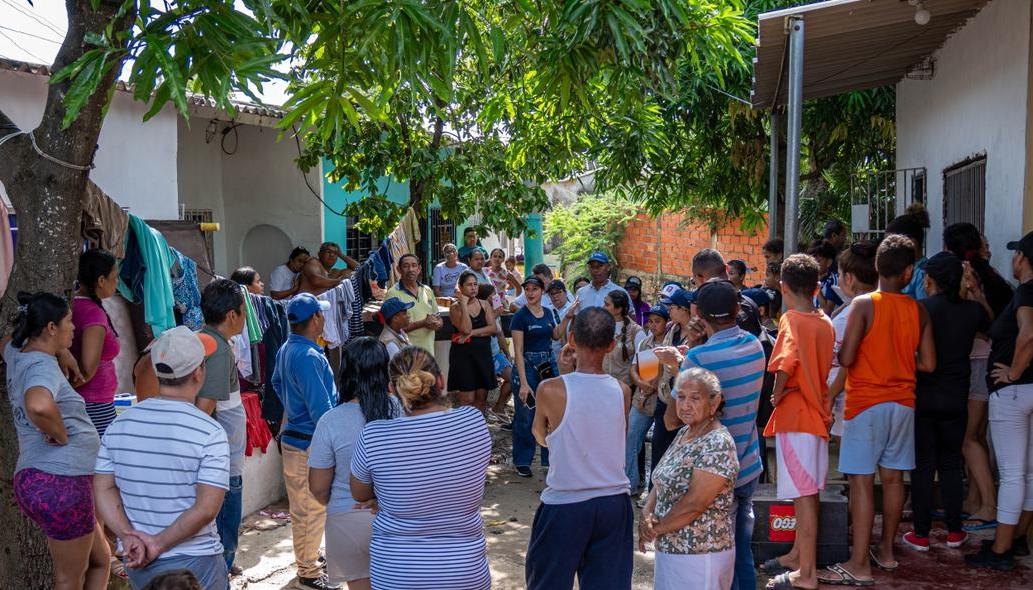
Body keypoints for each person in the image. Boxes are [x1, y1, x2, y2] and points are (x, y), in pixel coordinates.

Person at [819, 234, 935, 586]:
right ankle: (885, 553)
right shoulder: (918, 309)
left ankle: (858, 563)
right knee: (894, 478)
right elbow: (928, 363)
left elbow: (849, 357)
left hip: (865, 403)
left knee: (861, 483)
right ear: (909, 271)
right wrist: (898, 359)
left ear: (876, 267)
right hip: (903, 404)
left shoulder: (864, 305)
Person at [92, 326, 227, 590]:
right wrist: (157, 543)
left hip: (139, 560)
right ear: (199, 372)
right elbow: (206, 508)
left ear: (157, 371)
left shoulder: (120, 424)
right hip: (197, 561)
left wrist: (127, 536)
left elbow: (103, 487)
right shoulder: (209, 431)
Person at [350, 346, 492, 589]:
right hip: (464, 572)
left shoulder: (374, 436)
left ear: (392, 390)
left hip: (396, 573)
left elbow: (360, 494)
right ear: (441, 381)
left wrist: (387, 496)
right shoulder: (473, 422)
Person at [656, 280, 765, 590]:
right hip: (749, 464)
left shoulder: (699, 358)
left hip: (713, 473)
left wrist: (680, 365)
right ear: (736, 310)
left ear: (699, 314)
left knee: (721, 554)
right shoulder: (754, 346)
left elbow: (673, 419)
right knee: (741, 549)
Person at [7, 292, 108, 590]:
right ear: (51, 327)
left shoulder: (18, 353)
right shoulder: (41, 367)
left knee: (101, 559)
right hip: (60, 481)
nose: (74, 328)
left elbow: (5, 342)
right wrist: (60, 432)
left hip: (42, 479)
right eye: (68, 322)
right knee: (69, 579)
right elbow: (38, 404)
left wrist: (60, 351)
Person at [526, 307, 633, 590]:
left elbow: (540, 435)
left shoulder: (550, 389)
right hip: (613, 501)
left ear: (571, 339)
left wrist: (563, 375)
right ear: (611, 345)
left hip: (566, 503)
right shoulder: (623, 391)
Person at [904, 252, 989, 553]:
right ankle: (955, 531)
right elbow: (988, 324)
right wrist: (975, 293)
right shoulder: (971, 312)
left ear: (932, 280)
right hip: (957, 395)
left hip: (924, 394)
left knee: (923, 465)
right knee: (952, 463)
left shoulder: (920, 308)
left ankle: (922, 533)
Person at [760, 254, 836, 590]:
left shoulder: (791, 320)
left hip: (798, 415)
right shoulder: (826, 321)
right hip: (817, 416)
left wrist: (776, 394)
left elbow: (785, 363)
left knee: (803, 499)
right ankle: (799, 559)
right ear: (817, 287)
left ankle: (806, 574)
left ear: (783, 286)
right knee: (810, 495)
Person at [308, 338, 400, 590]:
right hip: (396, 517)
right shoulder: (402, 412)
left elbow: (317, 487)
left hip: (346, 520)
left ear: (346, 371)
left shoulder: (330, 421)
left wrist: (343, 503)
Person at [966, 231, 1033, 570]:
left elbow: (1029, 333)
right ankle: (1017, 537)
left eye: (1017, 254)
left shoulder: (1026, 294)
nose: (1013, 259)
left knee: (1012, 473)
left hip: (1014, 391)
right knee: (1029, 472)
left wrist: (1015, 371)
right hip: (1028, 390)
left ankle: (1002, 548)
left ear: (1023, 258)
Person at [639, 368, 740, 590]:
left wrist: (655, 529)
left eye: (695, 398)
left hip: (701, 554)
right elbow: (661, 479)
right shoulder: (685, 433)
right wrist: (646, 514)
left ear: (714, 404)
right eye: (681, 397)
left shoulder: (717, 443)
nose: (685, 405)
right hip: (672, 549)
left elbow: (694, 504)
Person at [944, 222, 1013, 526]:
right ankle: (975, 499)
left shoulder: (970, 277)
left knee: (968, 437)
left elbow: (983, 323)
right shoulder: (993, 275)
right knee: (976, 437)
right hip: (988, 361)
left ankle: (987, 504)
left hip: (977, 362)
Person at [272, 293, 340, 590]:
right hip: (308, 443)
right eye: (321, 314)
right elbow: (322, 411)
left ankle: (309, 558)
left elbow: (276, 382)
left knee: (309, 508)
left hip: (297, 438)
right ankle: (308, 573)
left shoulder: (288, 348)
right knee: (310, 509)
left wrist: (292, 404)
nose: (324, 318)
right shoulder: (310, 356)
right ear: (314, 319)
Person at [194, 279, 247, 574]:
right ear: (231, 315)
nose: (245, 317)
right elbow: (205, 408)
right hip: (222, 458)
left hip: (222, 452)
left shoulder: (204, 338)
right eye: (243, 311)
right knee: (227, 515)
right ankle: (221, 568)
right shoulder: (217, 349)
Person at [824, 242, 878, 438]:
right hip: (882, 400)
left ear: (849, 278)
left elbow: (844, 364)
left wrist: (829, 396)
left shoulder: (851, 315)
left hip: (850, 402)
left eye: (839, 274)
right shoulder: (882, 305)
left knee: (856, 466)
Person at [650, 288, 702, 486]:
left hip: (684, 399)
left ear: (684, 309)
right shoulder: (672, 329)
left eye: (671, 307)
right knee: (658, 448)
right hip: (665, 396)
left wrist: (678, 362)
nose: (668, 310)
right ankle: (653, 490)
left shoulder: (696, 333)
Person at [510, 276, 561, 477]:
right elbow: (518, 351)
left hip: (548, 365)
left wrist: (569, 316)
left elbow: (556, 336)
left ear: (542, 292)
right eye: (528, 289)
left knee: (551, 412)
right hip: (528, 367)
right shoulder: (520, 316)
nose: (530, 293)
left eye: (535, 289)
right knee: (526, 414)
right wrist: (523, 382)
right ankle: (522, 460)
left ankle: (549, 459)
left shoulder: (548, 312)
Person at [70, 249, 121, 437]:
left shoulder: (72, 305)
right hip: (93, 404)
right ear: (101, 280)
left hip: (89, 401)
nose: (116, 283)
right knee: (99, 462)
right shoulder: (93, 314)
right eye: (114, 278)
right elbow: (86, 371)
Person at [627, 303, 669, 491]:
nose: (652, 325)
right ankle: (631, 483)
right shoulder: (646, 342)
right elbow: (635, 369)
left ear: (666, 323)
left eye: (657, 321)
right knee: (630, 439)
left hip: (662, 400)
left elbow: (661, 376)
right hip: (642, 397)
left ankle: (655, 491)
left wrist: (648, 386)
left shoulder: (671, 345)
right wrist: (640, 383)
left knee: (661, 448)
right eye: (650, 321)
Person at [448, 271, 498, 411]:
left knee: (481, 399)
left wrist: (472, 334)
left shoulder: (484, 304)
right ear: (461, 287)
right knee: (467, 400)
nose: (473, 288)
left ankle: (479, 430)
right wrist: (463, 304)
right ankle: (466, 431)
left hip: (483, 355)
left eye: (475, 284)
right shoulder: (455, 307)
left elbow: (493, 328)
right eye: (469, 285)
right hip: (463, 357)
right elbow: (465, 329)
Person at [692, 249, 762, 336]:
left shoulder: (711, 313)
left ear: (699, 278)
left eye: (694, 281)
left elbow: (715, 348)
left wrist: (694, 345)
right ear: (727, 268)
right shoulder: (750, 304)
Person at [384, 254, 442, 354]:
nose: (411, 269)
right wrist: (423, 323)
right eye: (406, 266)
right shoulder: (393, 293)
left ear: (419, 269)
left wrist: (438, 324)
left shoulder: (427, 290)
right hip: (407, 355)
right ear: (398, 269)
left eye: (414, 265)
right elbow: (391, 329)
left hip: (428, 353)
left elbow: (438, 317)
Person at [886, 204, 931, 300]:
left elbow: (923, 308)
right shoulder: (898, 269)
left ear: (912, 243)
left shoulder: (922, 273)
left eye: (893, 244)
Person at [602, 290, 646, 386]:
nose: (603, 307)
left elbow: (644, 365)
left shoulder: (637, 332)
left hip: (624, 388)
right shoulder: (600, 326)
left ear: (618, 310)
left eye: (607, 304)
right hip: (601, 385)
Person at [545, 279, 576, 359]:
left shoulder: (573, 310)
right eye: (552, 294)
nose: (555, 296)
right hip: (551, 358)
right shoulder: (546, 311)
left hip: (568, 357)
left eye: (558, 292)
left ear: (565, 293)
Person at [809, 240, 842, 313]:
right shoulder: (808, 278)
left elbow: (827, 310)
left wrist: (816, 284)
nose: (813, 264)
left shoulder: (834, 281)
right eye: (812, 260)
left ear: (829, 262)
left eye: (818, 261)